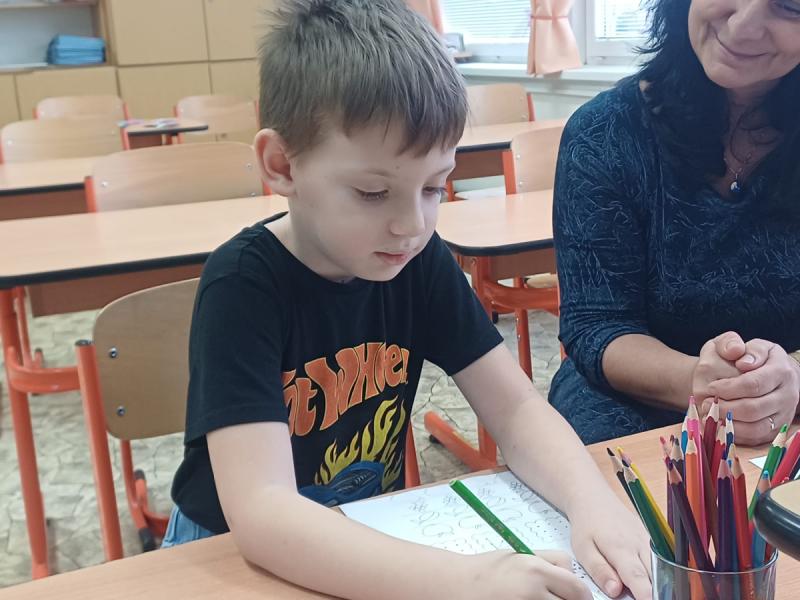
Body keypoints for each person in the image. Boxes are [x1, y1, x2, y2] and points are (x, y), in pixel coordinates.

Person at [163, 1, 652, 599]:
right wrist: (466, 582)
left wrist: (590, 502)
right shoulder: (243, 285)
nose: (412, 225)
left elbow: (516, 410)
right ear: (282, 165)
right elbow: (263, 512)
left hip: (357, 530)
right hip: (227, 557)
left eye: (434, 187)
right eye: (374, 192)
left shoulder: (417, 261)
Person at [549, 0, 800, 446]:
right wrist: (702, 383)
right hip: (634, 397)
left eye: (789, 7)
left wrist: (789, 378)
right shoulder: (605, 132)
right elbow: (596, 324)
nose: (743, 26)